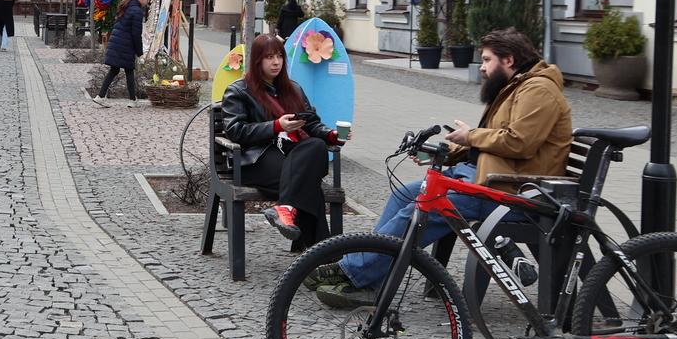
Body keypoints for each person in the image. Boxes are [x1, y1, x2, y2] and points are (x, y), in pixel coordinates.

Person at [315, 27, 573, 308]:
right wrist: (444, 152)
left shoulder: (538, 90)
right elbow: (493, 139)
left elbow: (519, 142)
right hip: (487, 178)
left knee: (428, 205)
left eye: (487, 60)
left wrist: (470, 136)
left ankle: (352, 271)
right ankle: (371, 280)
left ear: (508, 60)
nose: (483, 68)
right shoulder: (518, 86)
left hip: (511, 191)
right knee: (405, 194)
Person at [219, 32, 341, 250]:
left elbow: (311, 123)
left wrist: (332, 135)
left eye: (279, 56)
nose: (275, 62)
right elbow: (236, 131)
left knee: (317, 145)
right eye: (268, 57)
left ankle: (285, 209)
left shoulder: (293, 88)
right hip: (256, 159)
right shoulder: (238, 91)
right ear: (257, 61)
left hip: (292, 157)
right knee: (309, 184)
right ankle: (324, 257)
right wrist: (276, 126)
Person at [91, 0, 151, 108]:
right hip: (125, 45)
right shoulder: (137, 11)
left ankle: (101, 96)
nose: (147, 2)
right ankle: (131, 100)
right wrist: (140, 52)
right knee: (128, 70)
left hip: (118, 42)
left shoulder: (127, 5)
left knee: (115, 70)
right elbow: (136, 34)